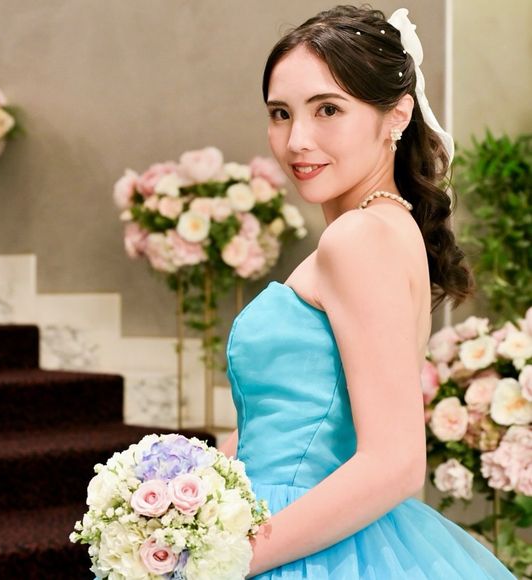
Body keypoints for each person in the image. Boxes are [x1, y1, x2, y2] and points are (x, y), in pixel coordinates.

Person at [219, 5, 517, 579]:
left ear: (396, 115)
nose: (297, 140)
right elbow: (288, 420)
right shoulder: (385, 228)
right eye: (280, 114)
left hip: (299, 543)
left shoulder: (359, 238)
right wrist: (177, 481)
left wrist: (229, 557)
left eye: (328, 109)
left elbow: (395, 462)